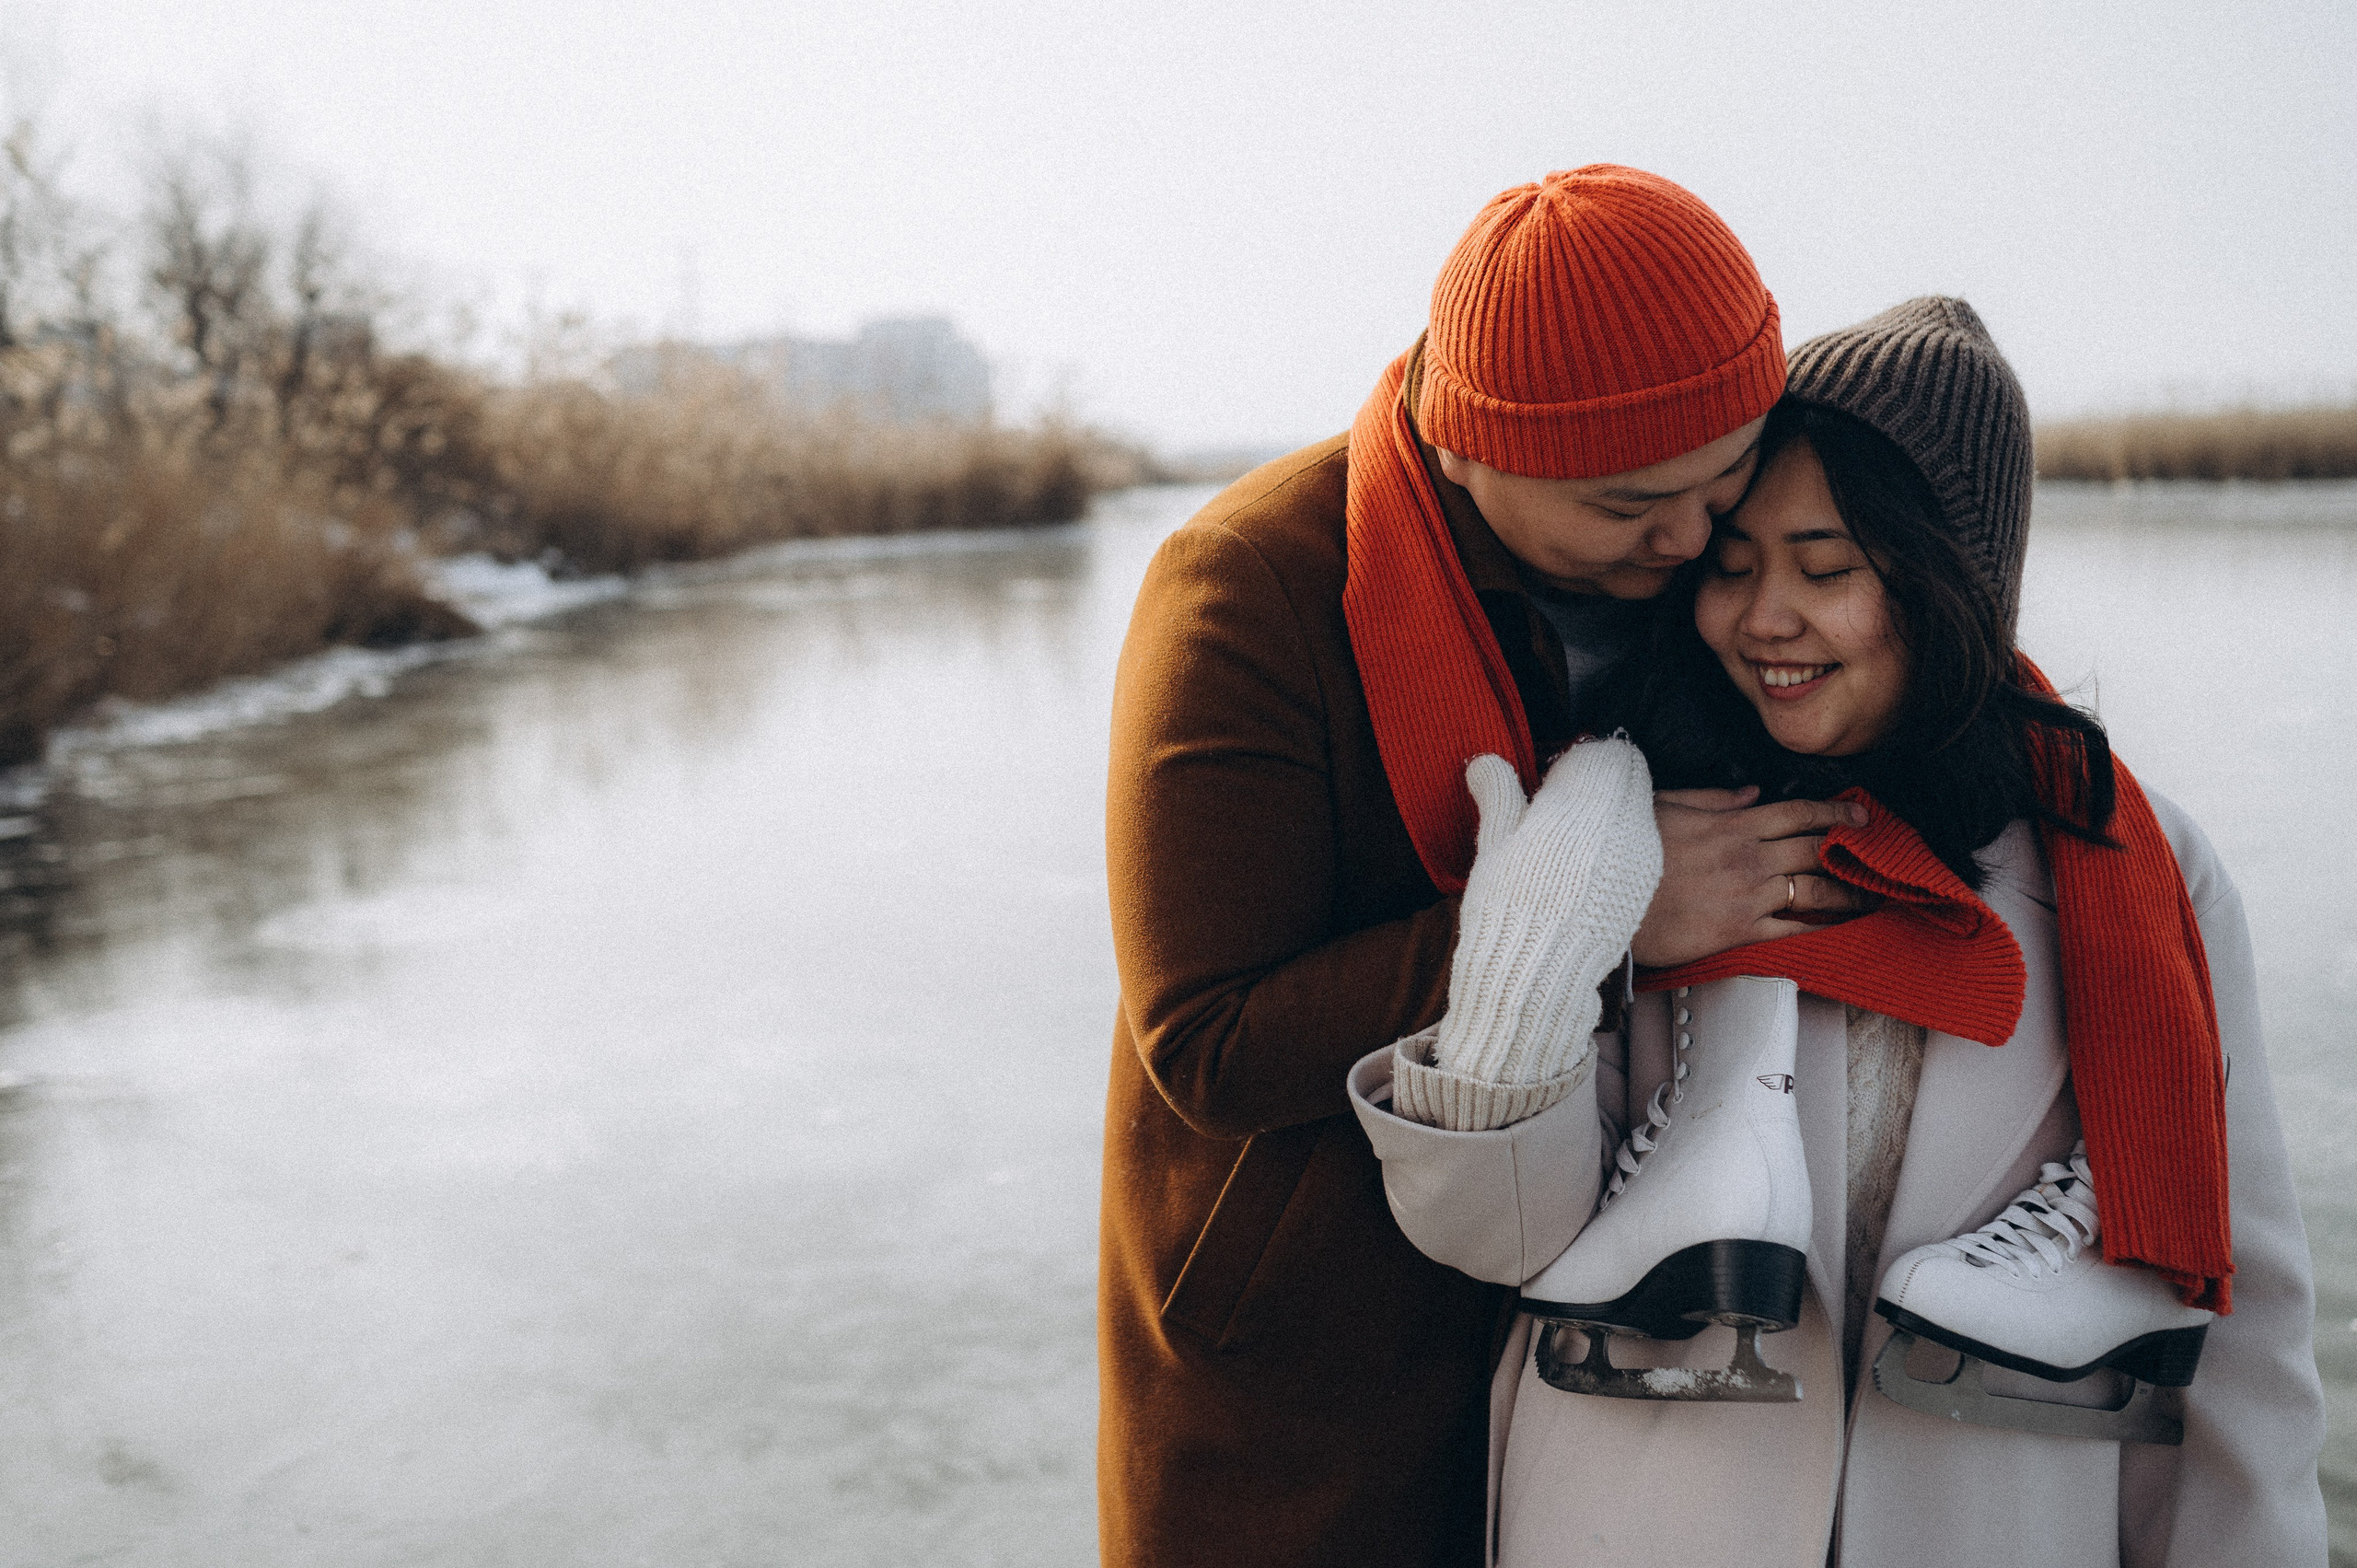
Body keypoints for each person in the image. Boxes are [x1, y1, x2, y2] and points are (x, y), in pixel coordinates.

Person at [1349, 298, 2329, 1565]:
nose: (1764, 619)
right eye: (1734, 563)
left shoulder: (2133, 876)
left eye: (1826, 570)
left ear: (1946, 586)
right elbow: (1500, 1238)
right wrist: (1527, 979)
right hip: (1636, 1521)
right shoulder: (1638, 824)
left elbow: (2237, 1330)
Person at [1099, 166, 1879, 1568]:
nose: (1693, 540)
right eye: (1631, 501)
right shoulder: (1245, 593)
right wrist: (1593, 915)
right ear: (1468, 448)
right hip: (1309, 1364)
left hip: (1595, 1321)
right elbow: (1205, 1043)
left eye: (1727, 478)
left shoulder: (1695, 572)